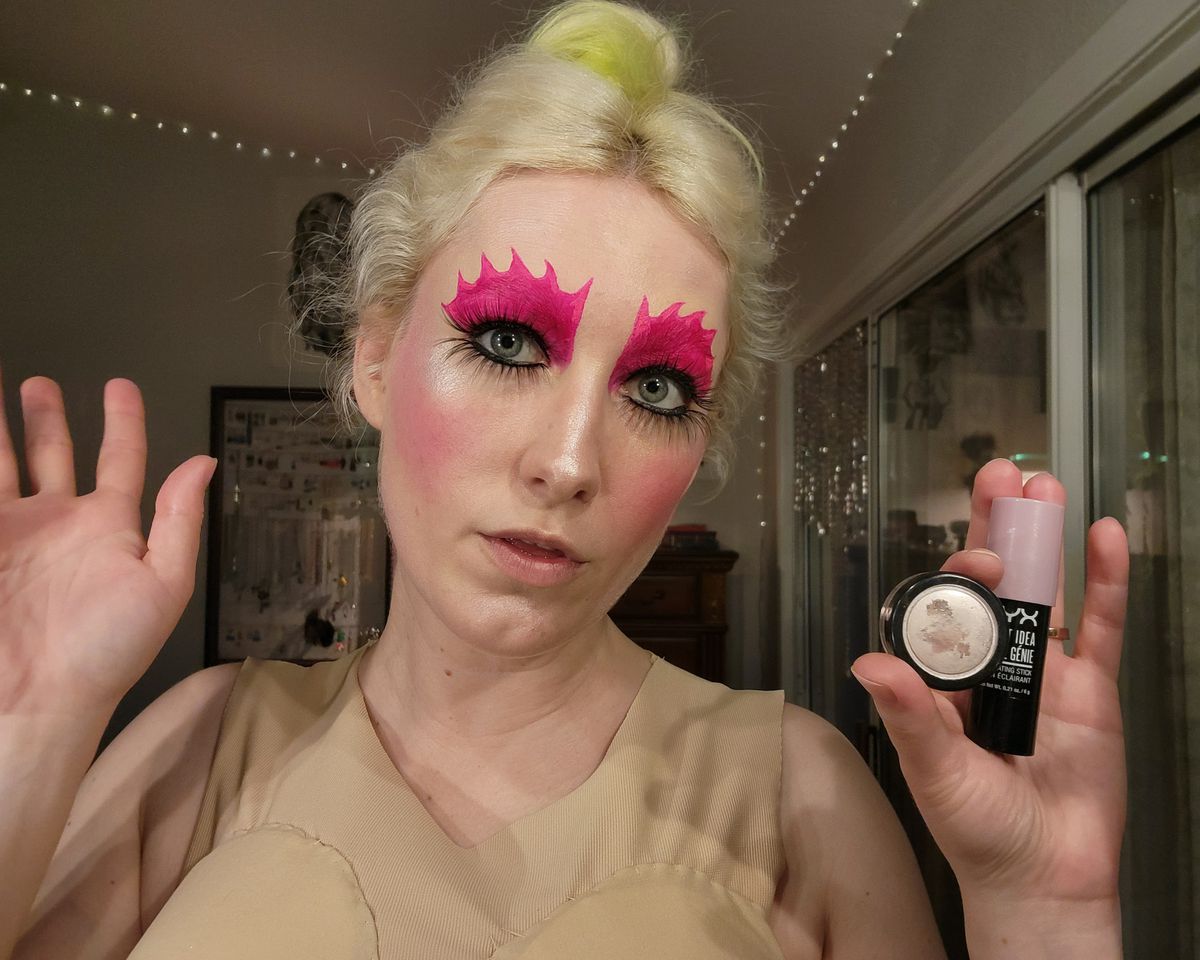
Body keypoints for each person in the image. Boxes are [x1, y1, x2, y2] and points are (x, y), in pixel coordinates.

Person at [1, 2, 1129, 957]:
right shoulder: (201, 746)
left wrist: (1045, 908)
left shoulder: (804, 794)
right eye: (505, 345)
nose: (569, 462)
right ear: (378, 356)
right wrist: (33, 726)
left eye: (654, 390)